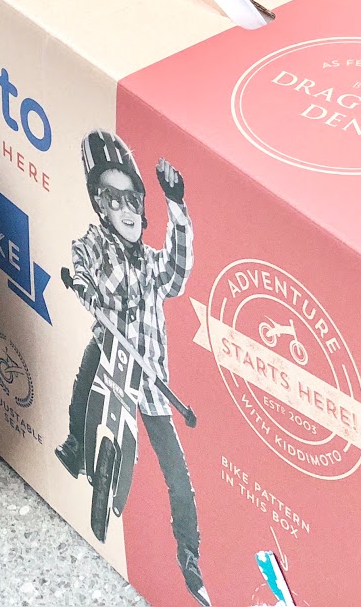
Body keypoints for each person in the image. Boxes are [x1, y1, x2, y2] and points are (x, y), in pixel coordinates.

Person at [58, 129, 211, 607]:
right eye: (111, 198)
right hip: (110, 352)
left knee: (178, 475)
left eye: (132, 198)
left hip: (150, 378)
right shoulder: (97, 247)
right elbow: (81, 261)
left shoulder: (150, 263)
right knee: (84, 376)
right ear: (99, 205)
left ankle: (188, 553)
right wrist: (80, 281)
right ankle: (75, 443)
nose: (124, 209)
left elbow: (179, 274)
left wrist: (177, 206)